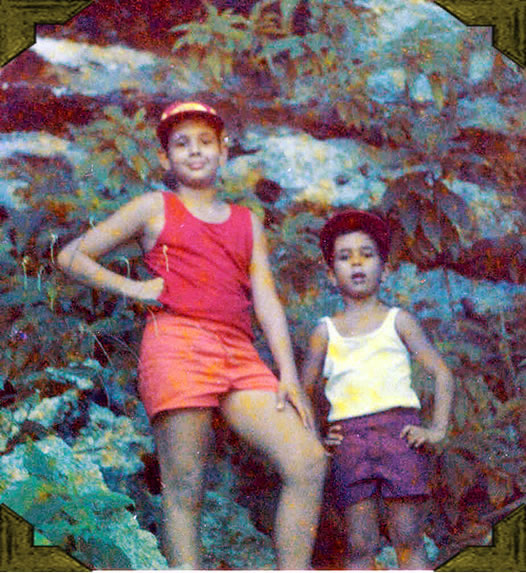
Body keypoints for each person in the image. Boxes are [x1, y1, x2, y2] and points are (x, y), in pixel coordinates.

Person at [57, 101, 327, 569]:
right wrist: (135, 288)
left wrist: (287, 373)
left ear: (224, 150)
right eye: (182, 143)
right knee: (185, 486)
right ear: (165, 157)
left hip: (239, 353)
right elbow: (70, 256)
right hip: (177, 345)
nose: (195, 151)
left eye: (205, 141)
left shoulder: (246, 221)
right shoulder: (154, 207)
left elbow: (266, 300)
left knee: (308, 461)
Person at [301, 209, 454, 569]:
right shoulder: (325, 332)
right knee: (360, 543)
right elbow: (302, 391)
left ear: (384, 269)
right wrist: (316, 437)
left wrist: (436, 429)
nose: (356, 263)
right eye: (344, 256)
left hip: (399, 435)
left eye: (367, 254)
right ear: (331, 274)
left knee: (407, 536)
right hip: (350, 443)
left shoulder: (398, 321)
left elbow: (442, 373)